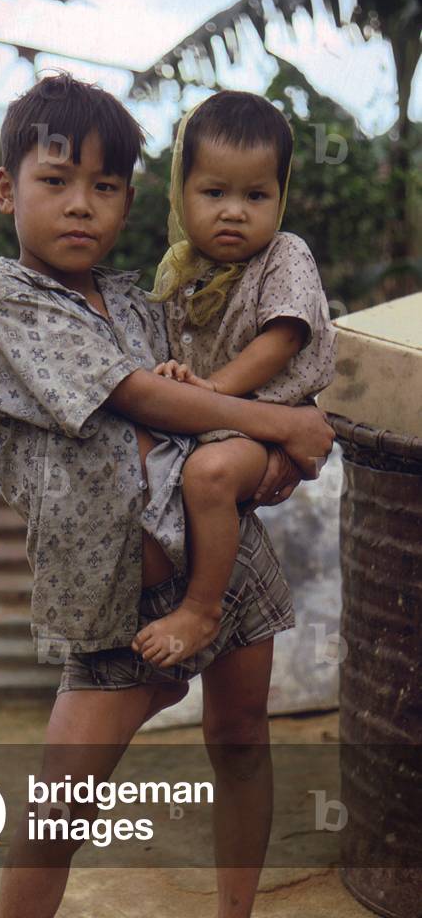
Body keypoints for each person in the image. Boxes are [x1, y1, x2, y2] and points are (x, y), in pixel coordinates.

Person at [0, 73, 335, 918]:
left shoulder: (145, 300)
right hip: (113, 597)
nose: (80, 206)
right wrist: (283, 427)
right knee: (62, 806)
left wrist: (274, 442)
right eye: (54, 182)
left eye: (104, 187)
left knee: (239, 739)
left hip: (221, 561)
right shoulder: (10, 301)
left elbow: (212, 414)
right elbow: (146, 400)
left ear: (132, 200)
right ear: (5, 190)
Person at [133, 91, 338, 668]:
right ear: (182, 192)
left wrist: (213, 388)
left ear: (280, 196)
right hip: (216, 418)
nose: (234, 211)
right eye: (214, 192)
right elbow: (177, 361)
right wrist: (177, 373)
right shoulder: (179, 272)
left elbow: (281, 339)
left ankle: (202, 608)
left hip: (269, 424)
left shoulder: (284, 255)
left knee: (211, 475)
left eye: (256, 195)